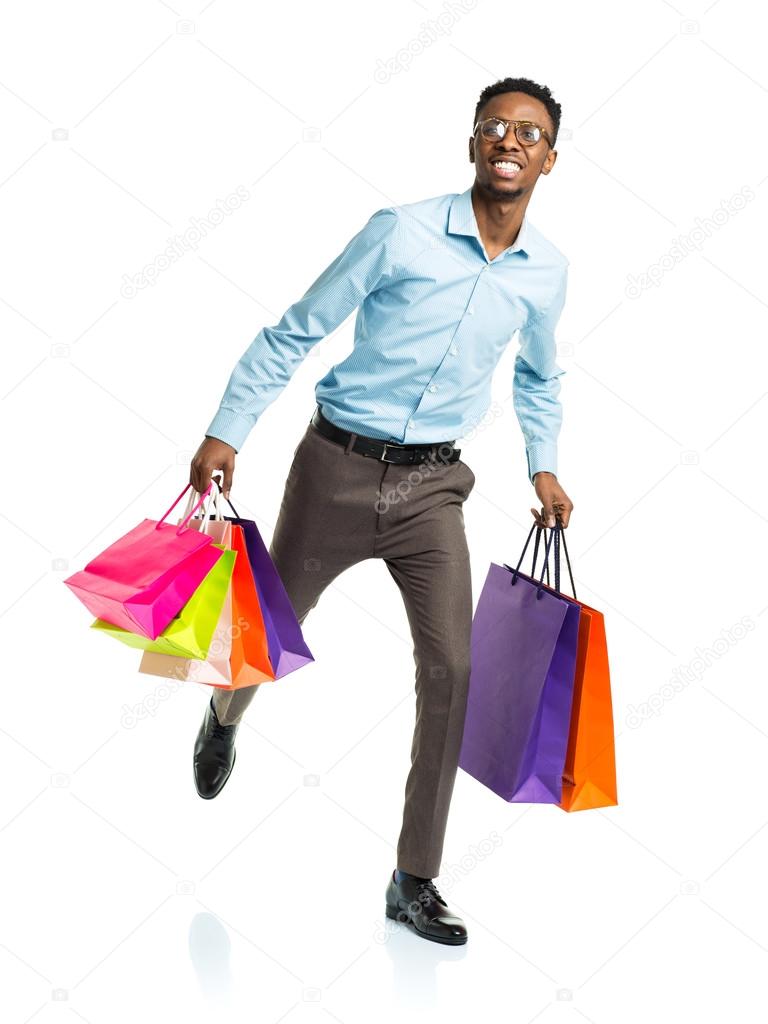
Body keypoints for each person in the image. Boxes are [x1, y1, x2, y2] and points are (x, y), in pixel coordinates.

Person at [188, 75, 574, 946]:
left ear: (552, 158)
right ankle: (223, 717)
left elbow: (540, 376)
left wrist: (544, 467)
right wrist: (226, 430)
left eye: (530, 131)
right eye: (495, 126)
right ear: (473, 143)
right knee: (263, 636)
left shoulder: (545, 273)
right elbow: (296, 328)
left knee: (454, 672)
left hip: (433, 491)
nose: (510, 140)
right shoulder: (397, 232)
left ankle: (414, 879)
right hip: (336, 470)